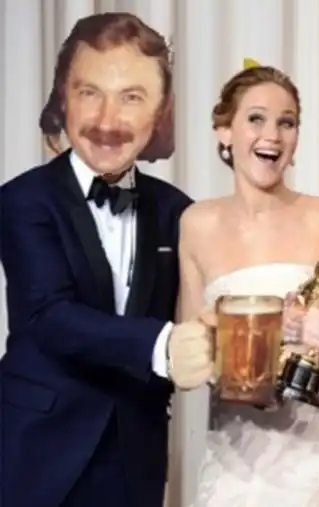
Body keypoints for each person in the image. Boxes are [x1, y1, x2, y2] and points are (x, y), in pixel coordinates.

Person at [0, 13, 213, 507]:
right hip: (36, 454)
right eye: (89, 92)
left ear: (160, 110)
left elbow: (204, 308)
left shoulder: (178, 211)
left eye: (131, 97)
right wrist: (162, 345)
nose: (106, 120)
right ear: (63, 98)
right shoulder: (22, 200)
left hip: (135, 459)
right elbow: (48, 317)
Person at [176, 65, 319, 507]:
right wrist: (259, 334)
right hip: (235, 462)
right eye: (256, 119)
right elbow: (192, 348)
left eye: (287, 123)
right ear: (224, 131)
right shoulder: (196, 224)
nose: (273, 136)